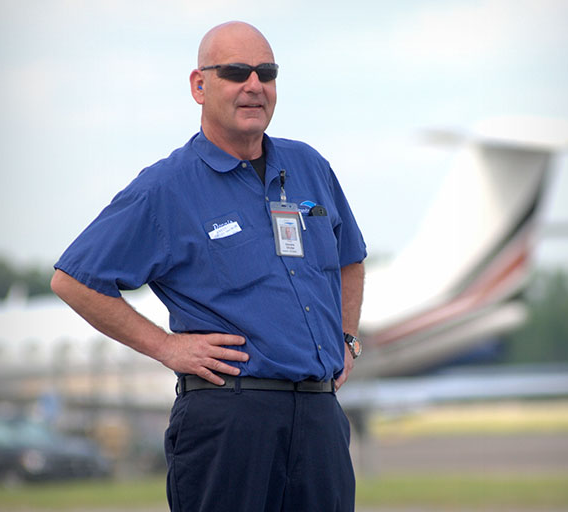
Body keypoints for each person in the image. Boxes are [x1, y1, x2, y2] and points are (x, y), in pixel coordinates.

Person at [51, 21, 366, 512]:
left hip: (320, 418)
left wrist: (347, 338)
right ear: (199, 85)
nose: (254, 85)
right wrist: (166, 346)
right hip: (230, 422)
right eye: (237, 72)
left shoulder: (309, 167)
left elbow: (351, 259)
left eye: (266, 72)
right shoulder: (167, 187)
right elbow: (73, 280)